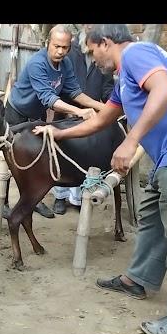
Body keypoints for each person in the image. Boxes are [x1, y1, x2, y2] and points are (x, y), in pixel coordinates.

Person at [33, 24, 167, 334]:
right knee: (152, 217)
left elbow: (165, 90)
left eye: (93, 52)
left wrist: (130, 141)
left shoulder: (136, 54)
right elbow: (102, 120)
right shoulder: (124, 78)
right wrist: (59, 133)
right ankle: (138, 279)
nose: (93, 61)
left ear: (106, 43)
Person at [5, 24, 105, 219]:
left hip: (37, 113)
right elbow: (49, 99)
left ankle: (33, 200)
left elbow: (75, 91)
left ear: (69, 47)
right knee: (10, 160)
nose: (60, 51)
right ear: (47, 43)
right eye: (56, 46)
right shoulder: (37, 63)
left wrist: (103, 109)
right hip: (18, 110)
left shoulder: (65, 64)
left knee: (37, 158)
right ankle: (4, 202)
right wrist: (80, 111)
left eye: (65, 47)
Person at [52, 24, 116, 215]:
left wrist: (114, 103)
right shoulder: (68, 49)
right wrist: (70, 109)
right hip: (66, 112)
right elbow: (59, 82)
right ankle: (60, 196)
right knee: (63, 155)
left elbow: (107, 88)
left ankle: (79, 197)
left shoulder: (104, 56)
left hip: (90, 115)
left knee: (83, 156)